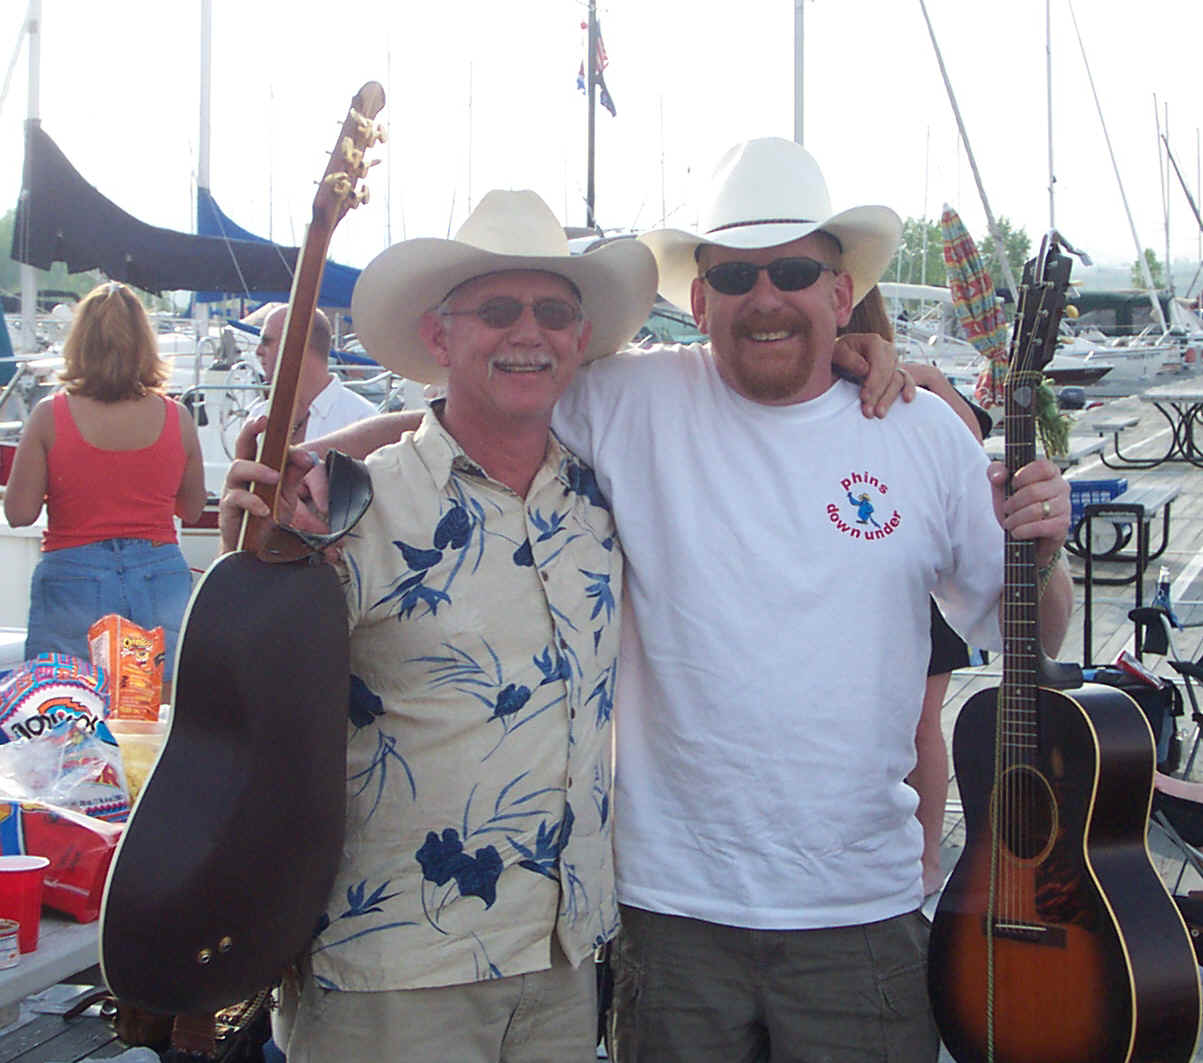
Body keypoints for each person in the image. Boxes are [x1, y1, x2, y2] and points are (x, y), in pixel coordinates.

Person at [279, 140, 1072, 1062]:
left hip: (860, 914)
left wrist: (1045, 555)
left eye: (792, 271)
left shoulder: (922, 429)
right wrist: (312, 460)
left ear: (840, 291)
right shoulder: (632, 397)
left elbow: (1031, 634)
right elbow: (477, 409)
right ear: (698, 301)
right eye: (734, 275)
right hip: (669, 916)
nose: (764, 296)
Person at [219, 189, 660, 1063]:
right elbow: (244, 703)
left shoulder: (604, 500)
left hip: (564, 959)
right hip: (391, 971)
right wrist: (250, 553)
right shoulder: (345, 505)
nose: (527, 332)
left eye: (552, 312)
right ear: (439, 337)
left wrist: (887, 367)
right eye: (496, 311)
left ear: (579, 339)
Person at [840, 285, 992, 896]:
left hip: (912, 583)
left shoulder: (913, 385)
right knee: (923, 725)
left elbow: (966, 452)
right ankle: (925, 855)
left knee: (920, 724)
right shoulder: (916, 380)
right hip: (912, 577)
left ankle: (925, 855)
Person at [4, 281, 205, 684]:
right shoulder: (177, 418)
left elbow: (20, 513)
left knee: (65, 704)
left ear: (80, 343)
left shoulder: (49, 416)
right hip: (158, 576)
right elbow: (193, 508)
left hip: (73, 577)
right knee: (158, 707)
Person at [246, 303, 376, 441]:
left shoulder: (362, 420)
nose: (258, 351)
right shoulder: (259, 414)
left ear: (298, 345)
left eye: (266, 342)